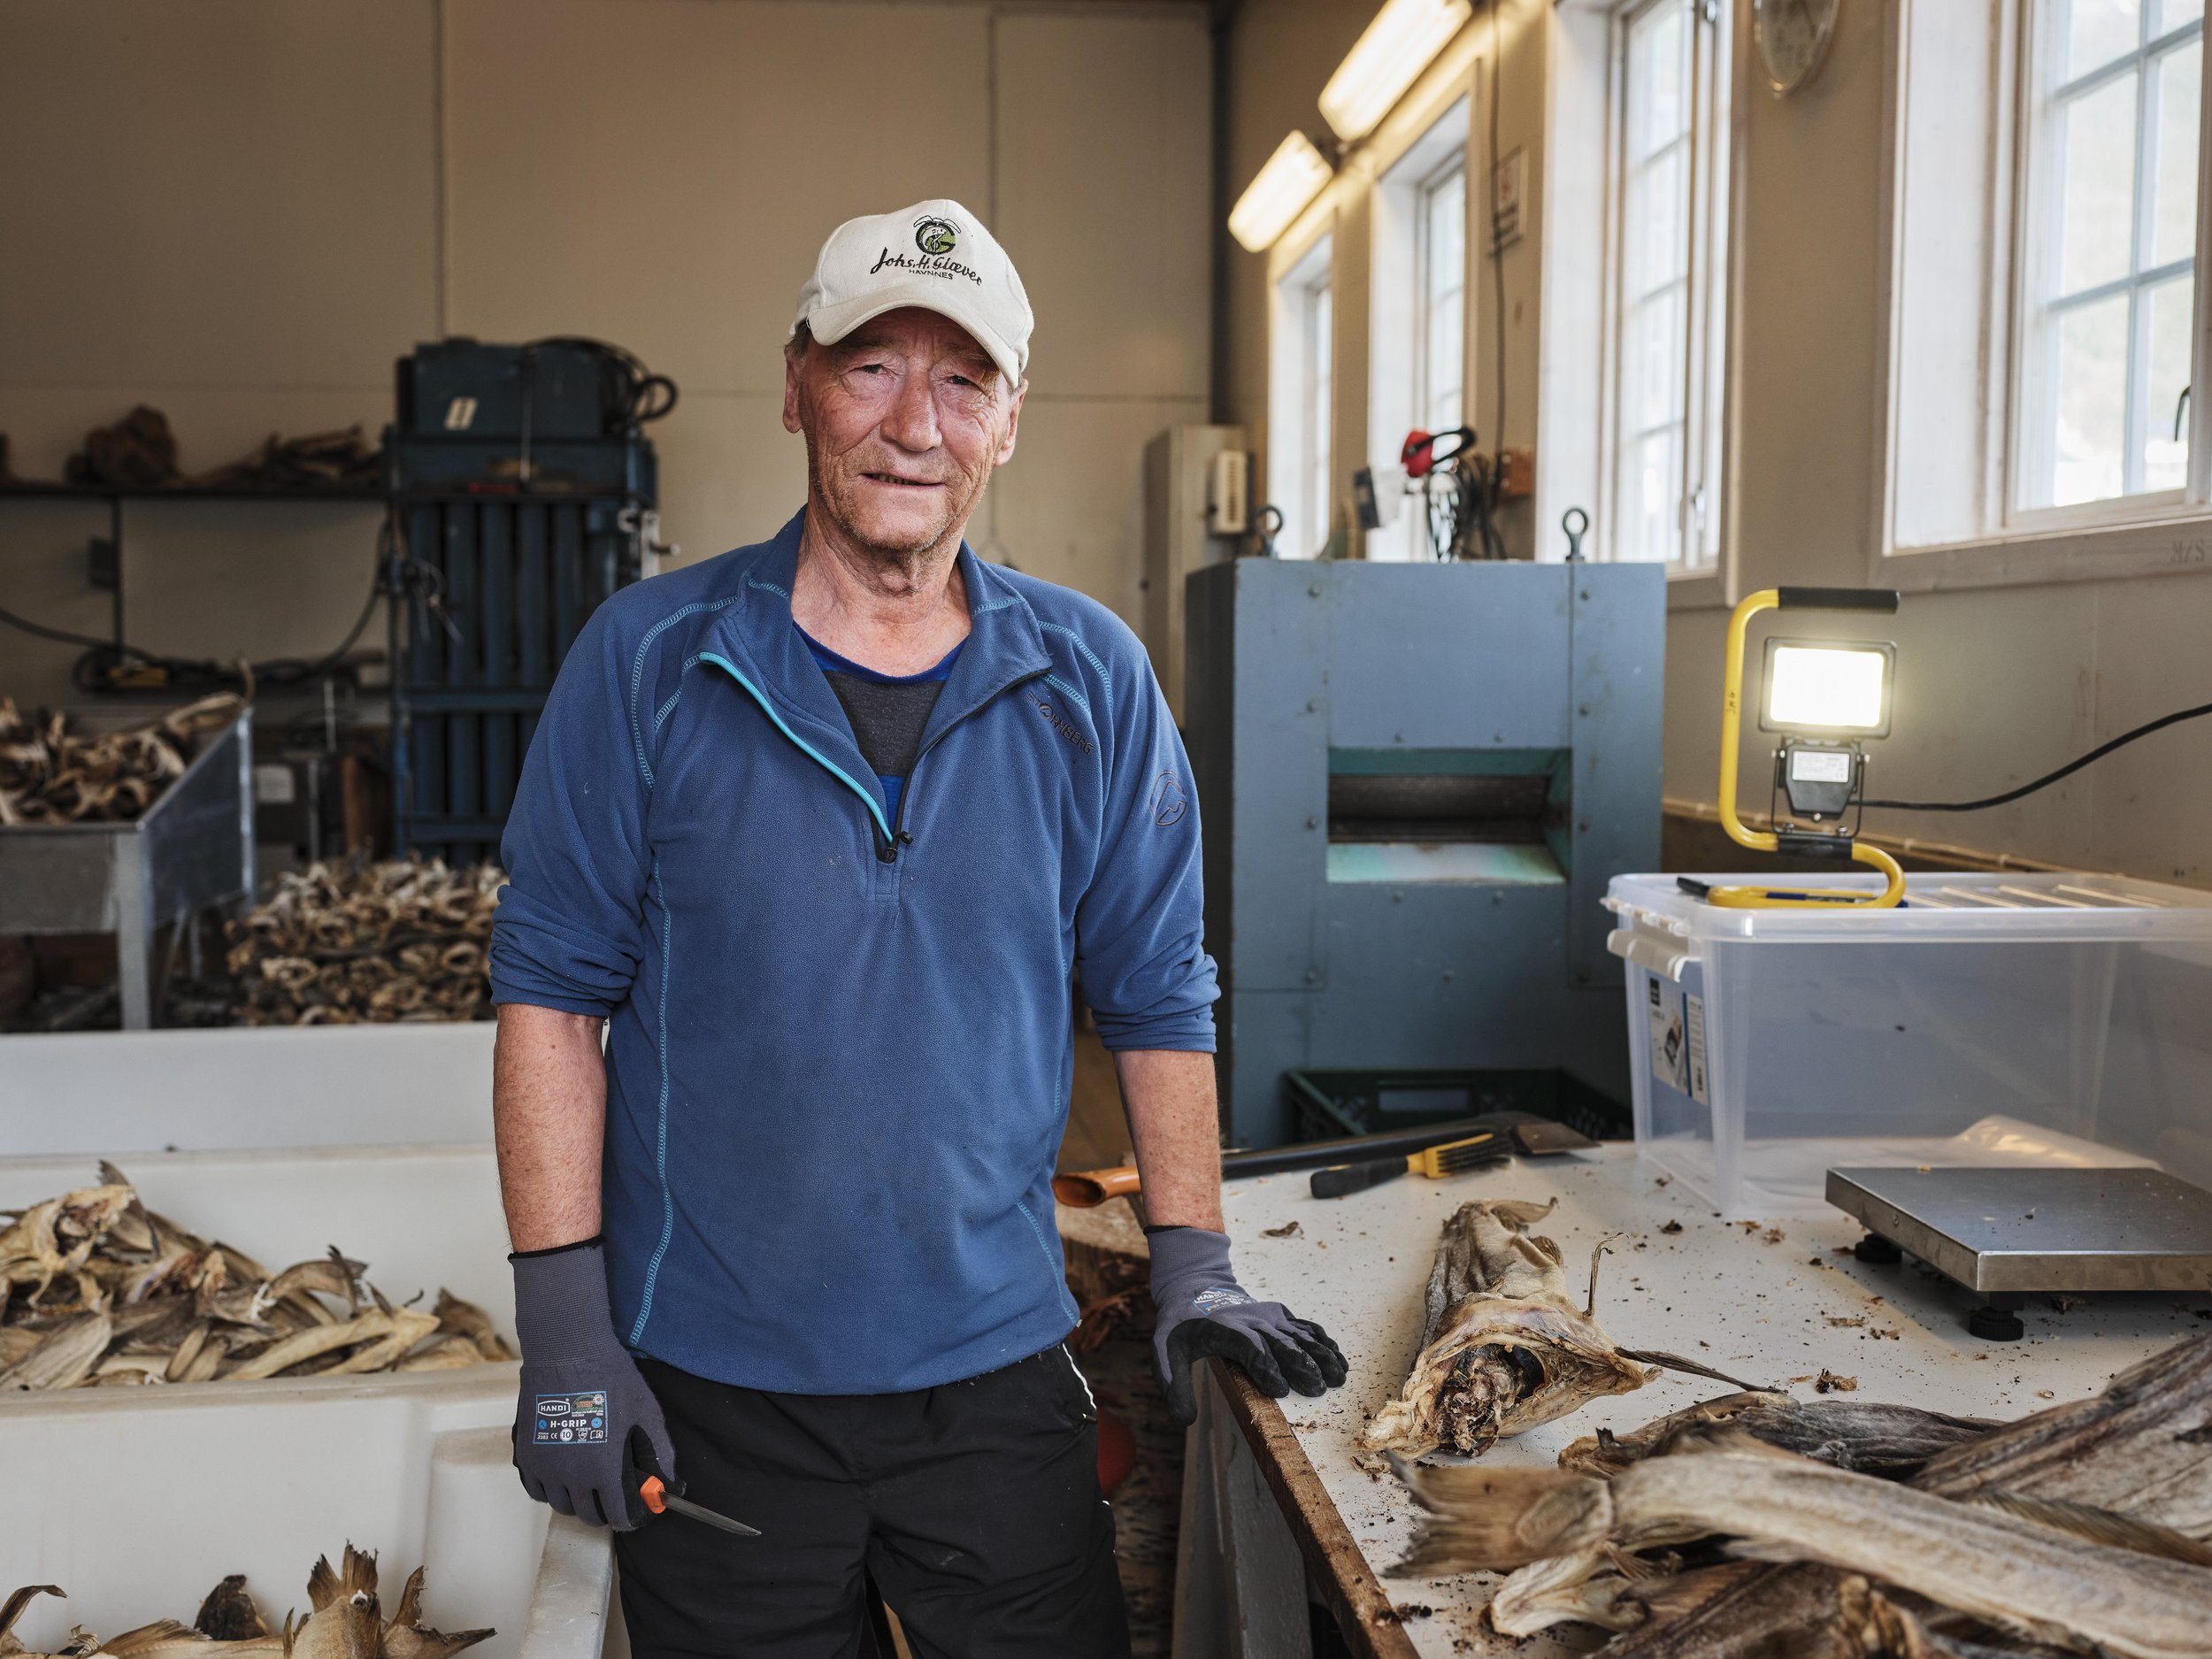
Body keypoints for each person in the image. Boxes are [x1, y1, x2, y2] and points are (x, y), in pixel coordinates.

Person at [488, 197, 1347, 1658]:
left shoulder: (1093, 680)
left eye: (962, 381)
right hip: (714, 1380)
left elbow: (1157, 992)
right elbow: (551, 1000)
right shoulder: (648, 662)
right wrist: (566, 1336)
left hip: (995, 1371)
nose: (913, 424)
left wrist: (1195, 1261)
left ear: (1010, 421)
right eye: (870, 365)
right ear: (795, 385)